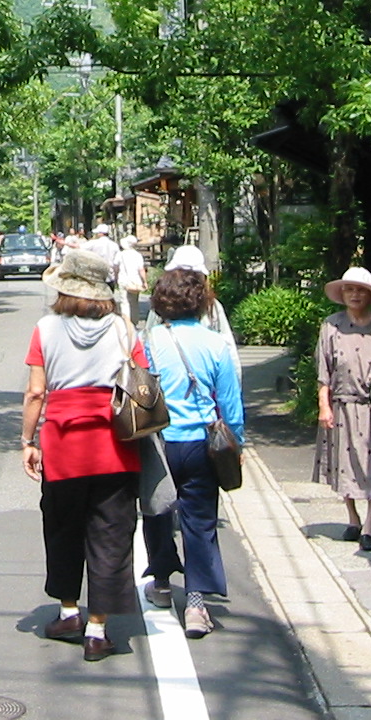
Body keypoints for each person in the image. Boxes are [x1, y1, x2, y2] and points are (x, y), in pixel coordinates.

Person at [20, 248, 145, 663]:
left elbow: (36, 391)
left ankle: (69, 612)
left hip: (63, 444)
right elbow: (143, 382)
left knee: (62, 528)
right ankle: (98, 631)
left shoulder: (45, 328)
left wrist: (27, 440)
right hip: (116, 447)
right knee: (111, 535)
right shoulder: (124, 330)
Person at [144, 268, 244, 637]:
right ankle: (198, 604)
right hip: (203, 442)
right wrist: (239, 442)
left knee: (156, 510)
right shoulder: (216, 343)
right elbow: (230, 403)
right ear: (202, 301)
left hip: (160, 442)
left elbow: (143, 394)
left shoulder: (150, 340)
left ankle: (162, 582)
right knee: (199, 520)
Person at [312, 266, 371, 551]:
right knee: (343, 465)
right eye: (349, 289)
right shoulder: (331, 326)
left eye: (360, 290)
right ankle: (352, 518)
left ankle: (369, 523)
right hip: (341, 406)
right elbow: (324, 372)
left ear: (370, 294)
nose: (355, 295)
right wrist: (324, 406)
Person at [115, 234, 146, 321]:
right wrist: (144, 282)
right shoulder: (138, 255)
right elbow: (141, 270)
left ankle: (126, 321)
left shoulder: (120, 254)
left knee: (124, 302)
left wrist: (116, 277)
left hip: (123, 280)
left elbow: (116, 267)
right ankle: (134, 320)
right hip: (135, 281)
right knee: (134, 303)